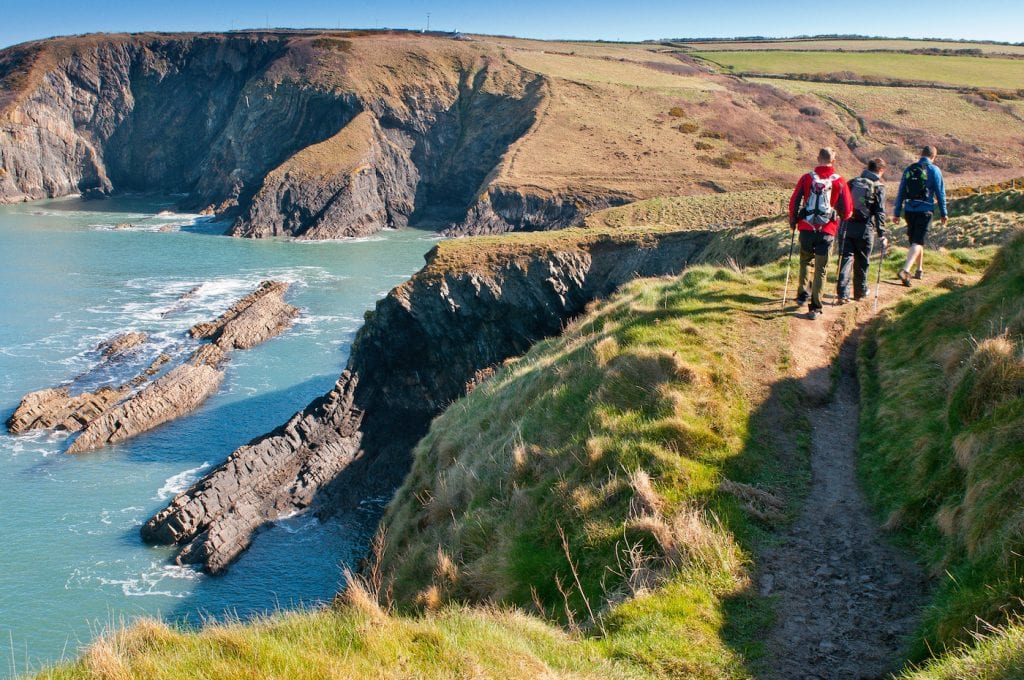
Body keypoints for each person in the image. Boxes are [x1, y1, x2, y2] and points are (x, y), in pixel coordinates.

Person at [788, 147, 853, 320]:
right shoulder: (839, 181)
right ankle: (815, 308)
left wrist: (793, 220)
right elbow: (847, 211)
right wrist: (842, 215)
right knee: (821, 269)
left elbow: (794, 200)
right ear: (833, 161)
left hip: (807, 228)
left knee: (805, 260)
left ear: (818, 158)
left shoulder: (806, 178)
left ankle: (802, 293)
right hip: (827, 231)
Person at [836, 158, 890, 303]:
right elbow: (879, 212)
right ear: (881, 170)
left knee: (846, 258)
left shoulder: (852, 182)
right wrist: (882, 234)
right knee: (862, 261)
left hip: (846, 226)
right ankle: (860, 292)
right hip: (865, 229)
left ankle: (842, 293)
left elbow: (841, 203)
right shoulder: (879, 187)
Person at [893, 145, 947, 286]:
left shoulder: (909, 169)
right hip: (925, 210)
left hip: (909, 210)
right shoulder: (934, 170)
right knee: (918, 242)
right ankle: (905, 270)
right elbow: (940, 193)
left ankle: (919, 270)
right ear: (934, 157)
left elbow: (901, 191)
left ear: (921, 154)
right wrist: (943, 213)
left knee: (916, 242)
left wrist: (897, 212)